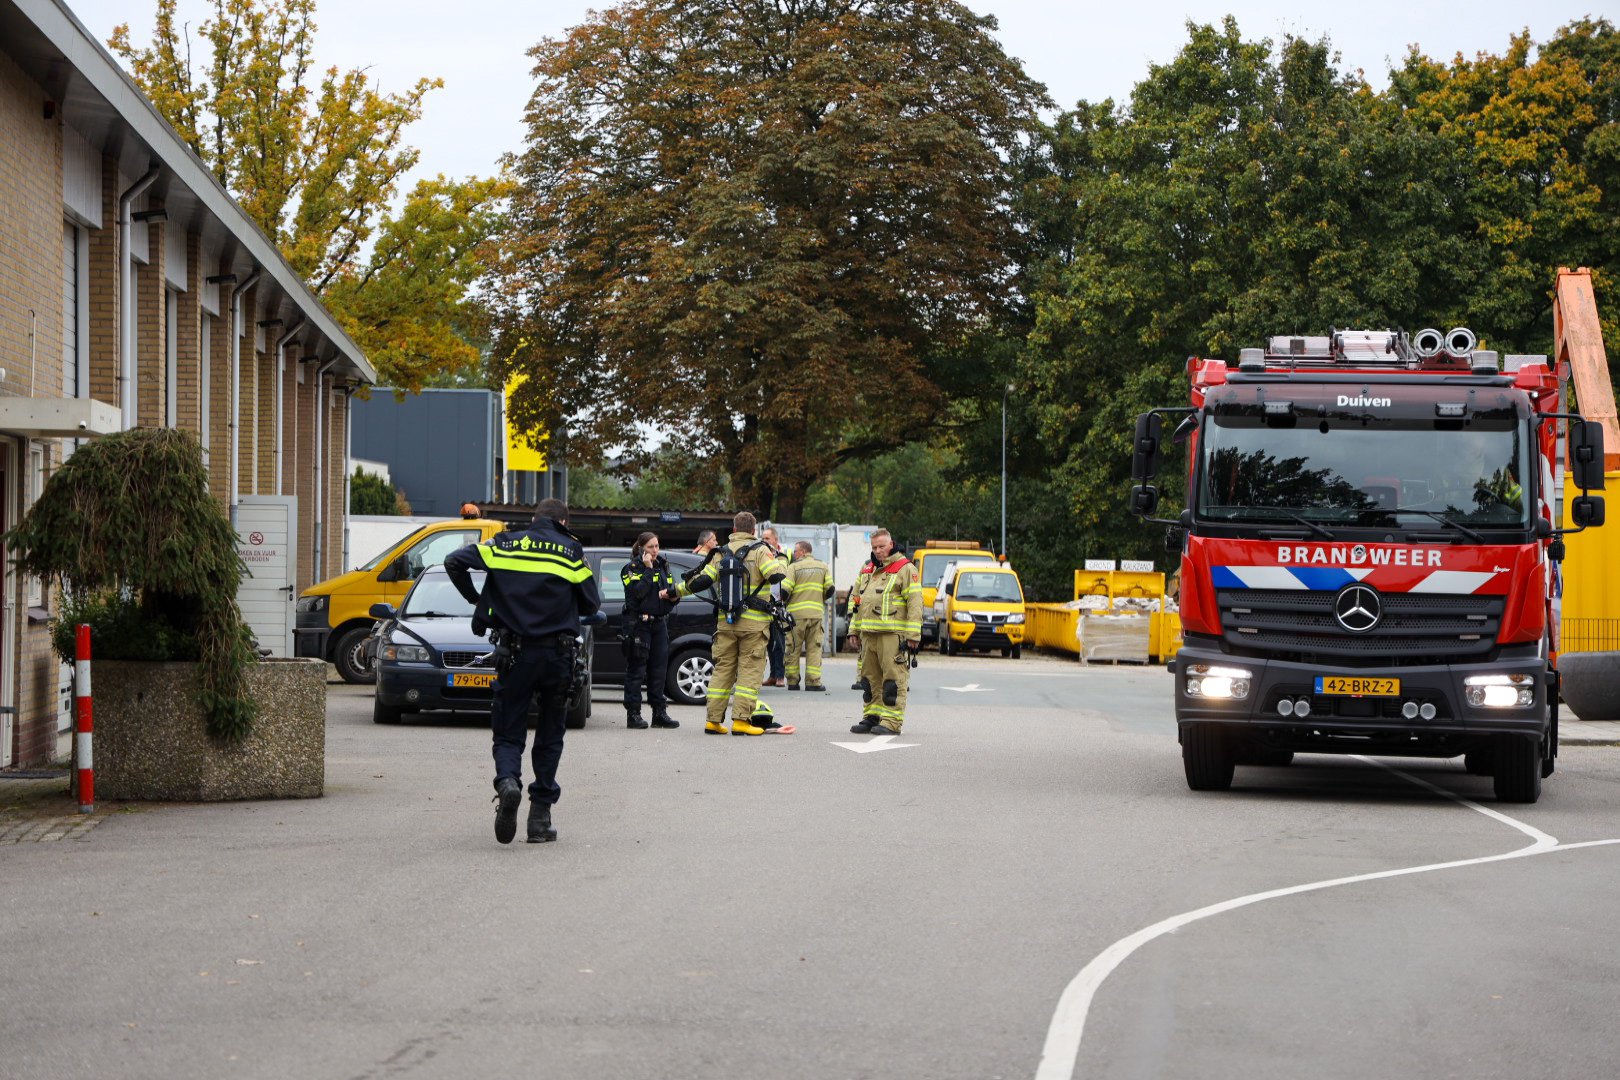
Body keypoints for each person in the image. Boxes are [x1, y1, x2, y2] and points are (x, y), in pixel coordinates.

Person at [445, 497, 600, 845]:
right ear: (564, 522)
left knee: (509, 729)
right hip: (557, 658)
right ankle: (540, 818)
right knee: (549, 734)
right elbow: (592, 604)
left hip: (513, 654)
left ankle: (508, 783)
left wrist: (475, 599)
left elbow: (453, 561)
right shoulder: (572, 552)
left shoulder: (503, 543)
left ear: (534, 519)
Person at [665, 511, 788, 735]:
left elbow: (701, 580)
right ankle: (741, 721)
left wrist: (674, 591)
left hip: (726, 623)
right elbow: (775, 576)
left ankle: (713, 721)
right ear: (753, 531)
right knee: (749, 672)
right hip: (754, 626)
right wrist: (781, 559)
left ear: (733, 530)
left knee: (722, 671)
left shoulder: (720, 553)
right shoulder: (761, 550)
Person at [848, 529, 922, 735]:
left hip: (892, 634)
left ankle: (891, 721)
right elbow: (856, 601)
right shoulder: (867, 569)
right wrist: (853, 629)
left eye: (881, 546)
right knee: (869, 680)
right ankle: (872, 716)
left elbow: (915, 603)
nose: (878, 551)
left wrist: (913, 635)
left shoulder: (906, 568)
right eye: (874, 547)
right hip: (868, 633)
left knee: (893, 680)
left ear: (891, 544)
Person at [620, 531, 679, 730]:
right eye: (650, 547)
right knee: (636, 671)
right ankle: (633, 714)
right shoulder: (631, 568)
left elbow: (670, 591)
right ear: (641, 548)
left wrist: (673, 597)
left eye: (656, 546)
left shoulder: (663, 565)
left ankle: (659, 713)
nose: (655, 550)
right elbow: (637, 593)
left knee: (659, 671)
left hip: (659, 624)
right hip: (639, 625)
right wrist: (647, 569)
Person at [782, 541, 833, 690]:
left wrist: (783, 604)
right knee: (814, 648)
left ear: (803, 551)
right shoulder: (823, 566)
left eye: (796, 551)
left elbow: (785, 591)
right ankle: (813, 682)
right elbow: (830, 589)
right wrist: (820, 599)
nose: (794, 554)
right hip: (816, 615)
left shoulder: (793, 567)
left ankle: (792, 682)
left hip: (796, 616)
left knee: (793, 648)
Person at [761, 526, 787, 687]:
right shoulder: (762, 554)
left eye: (767, 538)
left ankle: (780, 676)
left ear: (775, 540)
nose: (764, 541)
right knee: (769, 642)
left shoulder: (784, 555)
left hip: (779, 604)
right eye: (762, 538)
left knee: (779, 642)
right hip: (765, 603)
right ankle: (772, 675)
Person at [846, 552, 875, 690]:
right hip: (865, 620)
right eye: (875, 547)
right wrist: (852, 613)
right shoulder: (866, 566)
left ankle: (897, 682)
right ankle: (861, 679)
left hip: (890, 624)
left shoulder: (900, 566)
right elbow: (857, 595)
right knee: (863, 652)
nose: (878, 550)